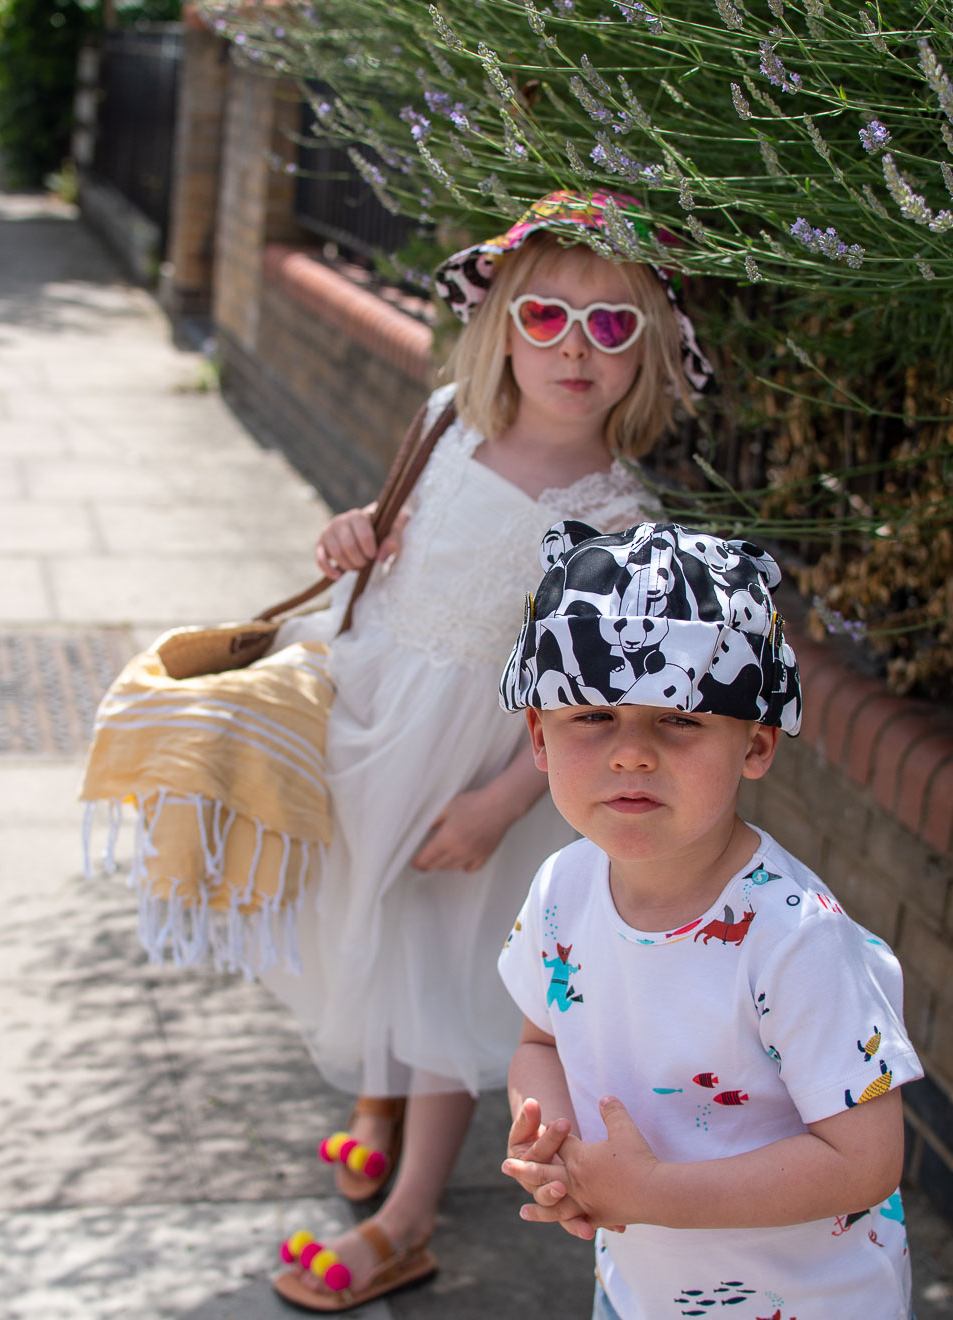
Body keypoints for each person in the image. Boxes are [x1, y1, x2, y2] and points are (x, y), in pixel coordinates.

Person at [261, 190, 715, 1311]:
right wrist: (349, 534)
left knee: (442, 979)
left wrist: (503, 805)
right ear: (501, 323)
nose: (574, 348)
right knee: (365, 916)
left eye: (612, 326)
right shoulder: (441, 423)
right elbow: (385, 535)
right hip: (378, 724)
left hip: (476, 775)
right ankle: (375, 1106)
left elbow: (601, 705)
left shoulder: (617, 520)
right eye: (546, 316)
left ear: (646, 353)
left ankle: (409, 1218)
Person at [496, 519, 923, 1320]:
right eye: (593, 716)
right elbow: (540, 1041)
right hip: (640, 1291)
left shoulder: (797, 939)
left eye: (680, 718)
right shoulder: (562, 889)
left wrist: (655, 1191)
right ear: (539, 737)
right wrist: (557, 1143)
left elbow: (867, 1162)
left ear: (756, 744)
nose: (631, 753)